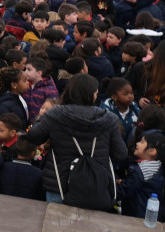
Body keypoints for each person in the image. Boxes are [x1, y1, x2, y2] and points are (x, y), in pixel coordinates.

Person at [26, 74, 128, 205]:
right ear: (92, 95)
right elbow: (121, 154)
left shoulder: (56, 114)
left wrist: (45, 118)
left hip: (59, 184)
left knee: (55, 224)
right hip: (95, 185)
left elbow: (33, 136)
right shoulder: (108, 118)